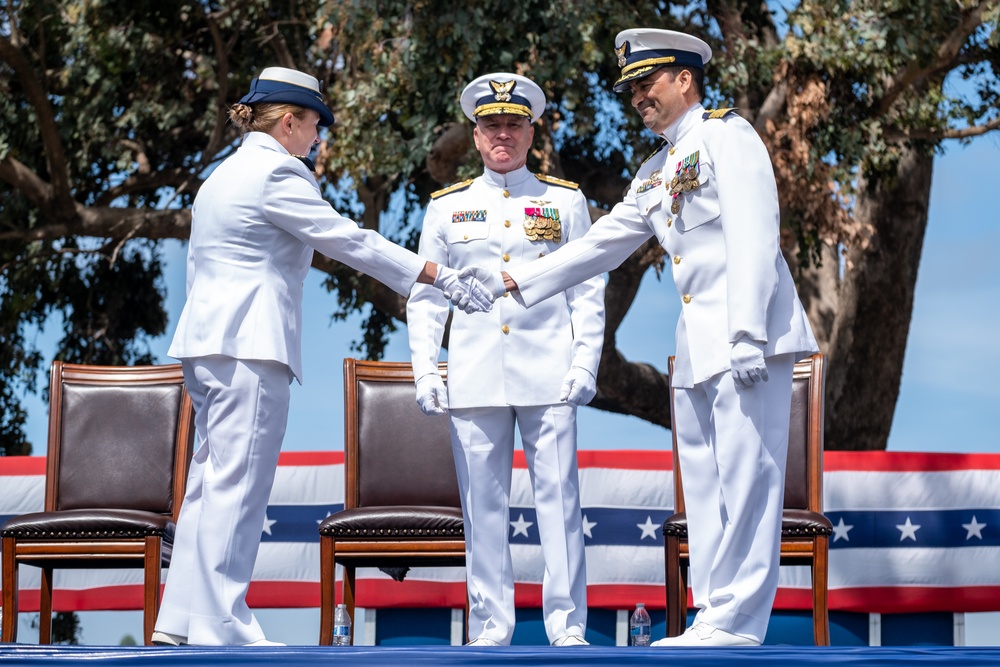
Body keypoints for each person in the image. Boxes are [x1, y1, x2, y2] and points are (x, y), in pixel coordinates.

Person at [483, 30, 819, 647]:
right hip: (696, 348)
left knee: (747, 479)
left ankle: (740, 622)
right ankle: (714, 612)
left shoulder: (726, 136)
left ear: (685, 79)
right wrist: (521, 280)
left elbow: (755, 232)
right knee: (706, 484)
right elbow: (602, 244)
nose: (637, 95)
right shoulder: (656, 169)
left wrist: (746, 331)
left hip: (747, 338)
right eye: (631, 87)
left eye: (647, 82)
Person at [152, 66, 494, 647]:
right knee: (238, 486)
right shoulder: (277, 173)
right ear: (288, 122)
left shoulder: (221, 175)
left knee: (209, 484)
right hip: (250, 345)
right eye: (314, 126)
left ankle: (180, 621)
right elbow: (348, 240)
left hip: (206, 346)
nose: (317, 140)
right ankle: (220, 624)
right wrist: (435, 275)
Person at [406, 72, 606, 647]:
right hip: (474, 374)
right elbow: (425, 296)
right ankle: (491, 628)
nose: (503, 134)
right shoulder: (447, 207)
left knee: (560, 503)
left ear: (530, 132)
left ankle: (567, 627)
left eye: (513, 124)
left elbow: (588, 289)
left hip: (549, 372)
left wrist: (585, 363)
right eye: (492, 125)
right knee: (483, 510)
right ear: (474, 136)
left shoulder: (564, 201)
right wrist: (425, 367)